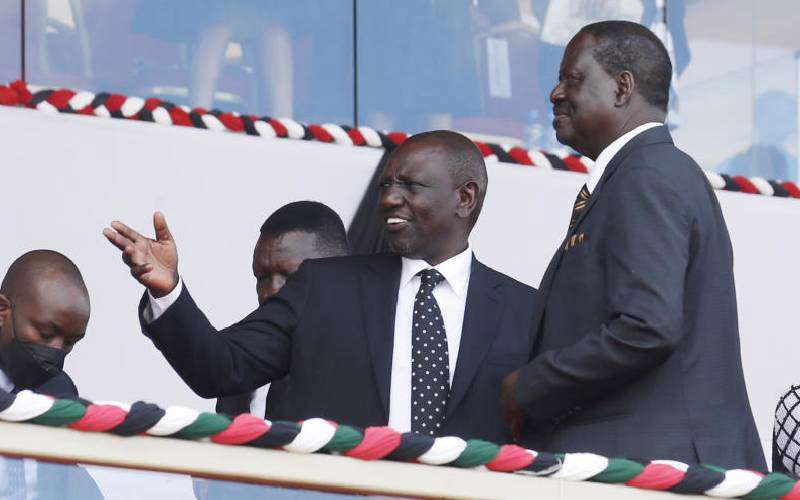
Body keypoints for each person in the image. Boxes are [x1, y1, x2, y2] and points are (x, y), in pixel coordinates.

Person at [103, 130, 538, 443]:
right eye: (386, 185)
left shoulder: (527, 312)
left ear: (465, 198)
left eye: (410, 186)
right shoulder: (325, 287)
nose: (389, 199)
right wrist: (168, 291)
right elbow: (221, 366)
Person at [501, 21, 766, 470]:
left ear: (622, 88)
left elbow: (648, 326)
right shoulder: (643, 172)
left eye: (572, 78)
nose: (555, 93)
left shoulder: (648, 174)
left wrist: (529, 386)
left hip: (656, 467)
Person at [216, 201, 349, 419]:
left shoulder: (376, 362)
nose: (271, 291)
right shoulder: (241, 360)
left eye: (292, 277)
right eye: (262, 278)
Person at [0, 250, 90, 398]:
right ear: (3, 310)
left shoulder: (61, 391)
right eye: (46, 334)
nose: (56, 350)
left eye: (69, 342)